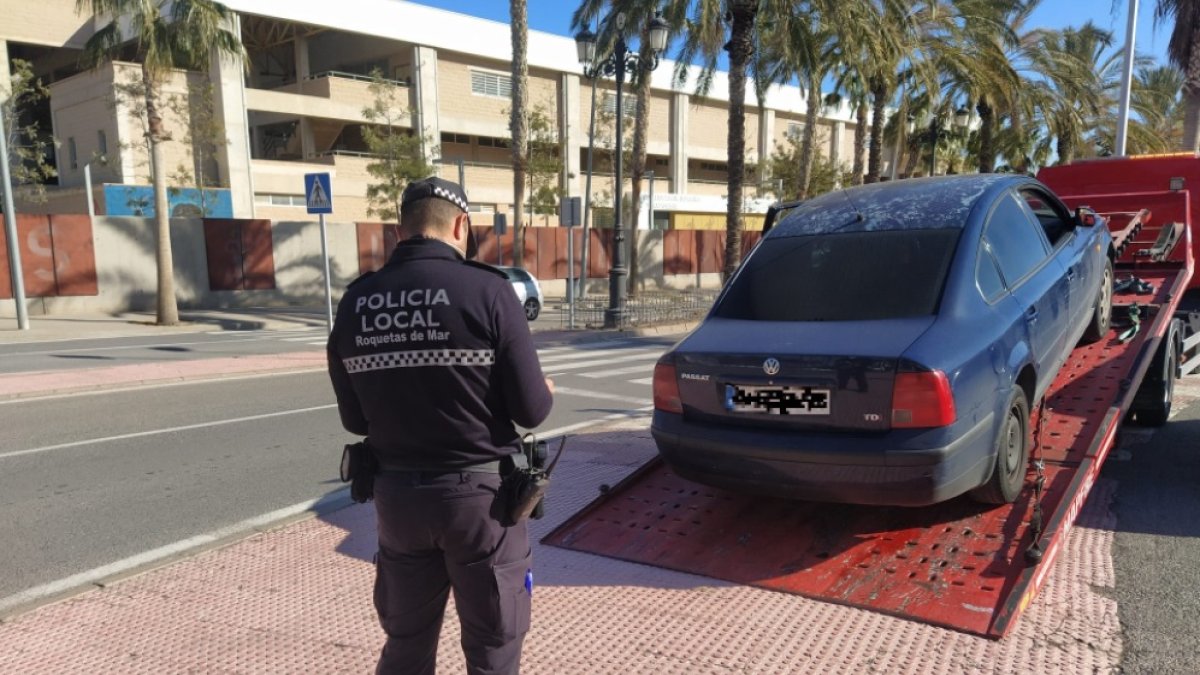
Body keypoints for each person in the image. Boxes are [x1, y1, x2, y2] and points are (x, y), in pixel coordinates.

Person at [327, 176, 554, 675]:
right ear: (460, 225)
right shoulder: (489, 291)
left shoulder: (356, 301)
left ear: (399, 230)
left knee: (405, 646)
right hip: (482, 507)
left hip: (399, 503)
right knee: (493, 647)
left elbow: (353, 418)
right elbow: (532, 410)